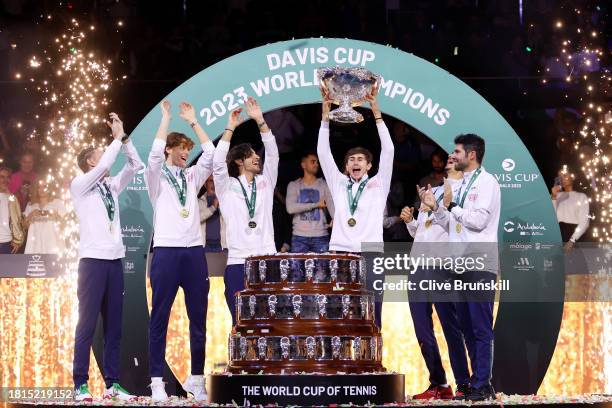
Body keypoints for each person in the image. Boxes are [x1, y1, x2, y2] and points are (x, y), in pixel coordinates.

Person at [145, 101, 214, 402]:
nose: (187, 152)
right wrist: (166, 119)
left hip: (194, 254)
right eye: (182, 148)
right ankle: (157, 381)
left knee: (198, 319)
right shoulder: (156, 179)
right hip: (166, 253)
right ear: (169, 150)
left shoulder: (192, 177)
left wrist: (195, 122)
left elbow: (210, 155)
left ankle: (196, 379)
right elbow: (152, 155)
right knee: (159, 318)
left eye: (188, 148)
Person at [70, 113, 142, 402]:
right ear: (90, 163)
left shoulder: (111, 187)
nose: (103, 156)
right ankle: (80, 384)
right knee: (86, 325)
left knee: (114, 327)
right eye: (98, 155)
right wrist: (114, 139)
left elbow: (135, 166)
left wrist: (124, 140)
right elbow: (106, 164)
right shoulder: (79, 185)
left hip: (115, 262)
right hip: (91, 262)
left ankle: (112, 384)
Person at [426, 134, 501, 402]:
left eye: (457, 151)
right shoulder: (461, 184)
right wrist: (437, 208)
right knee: (467, 326)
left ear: (471, 155)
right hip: (457, 263)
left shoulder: (488, 182)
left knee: (481, 327)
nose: (453, 156)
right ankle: (476, 384)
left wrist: (452, 207)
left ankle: (483, 384)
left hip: (479, 262)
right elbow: (451, 223)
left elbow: (479, 221)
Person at [317, 85, 393, 329]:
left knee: (373, 309)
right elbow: (322, 152)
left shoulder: (379, 184)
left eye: (360, 159)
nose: (355, 162)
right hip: (340, 251)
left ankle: (373, 360)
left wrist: (377, 114)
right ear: (346, 167)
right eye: (351, 159)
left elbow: (389, 150)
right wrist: (325, 117)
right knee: (338, 308)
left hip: (371, 252)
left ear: (369, 166)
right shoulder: (338, 183)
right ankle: (341, 360)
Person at [401, 155, 471, 400]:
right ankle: (439, 382)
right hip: (418, 266)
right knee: (422, 330)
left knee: (451, 328)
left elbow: (457, 228)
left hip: (443, 266)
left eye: (453, 161)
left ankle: (464, 382)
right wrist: (412, 222)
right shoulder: (434, 190)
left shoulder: (465, 194)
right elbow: (423, 230)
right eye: (448, 161)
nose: (448, 164)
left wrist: (439, 207)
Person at [213, 97, 278, 325]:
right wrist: (230, 127)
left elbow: (273, 153)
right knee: (240, 323)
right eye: (251, 154)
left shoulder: (265, 182)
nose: (257, 156)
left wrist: (260, 120)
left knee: (269, 322)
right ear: (240, 161)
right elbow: (217, 162)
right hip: (238, 260)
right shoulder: (227, 186)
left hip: (267, 257)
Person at [285, 151, 334, 253]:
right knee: (297, 269)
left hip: (321, 236)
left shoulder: (324, 184)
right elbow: (290, 208)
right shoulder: (294, 185)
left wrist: (335, 219)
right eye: (313, 162)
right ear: (303, 165)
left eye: (317, 162)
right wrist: (316, 204)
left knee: (322, 269)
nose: (317, 164)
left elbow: (331, 205)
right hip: (299, 237)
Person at [23, 178, 67, 254]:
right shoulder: (31, 205)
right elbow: (24, 226)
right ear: (36, 189)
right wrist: (30, 215)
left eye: (45, 186)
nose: (42, 189)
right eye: (39, 187)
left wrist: (57, 216)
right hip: (34, 246)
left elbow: (65, 225)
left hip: (53, 245)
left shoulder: (58, 203)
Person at [551, 168, 589, 250]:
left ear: (572, 176)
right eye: (560, 177)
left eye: (564, 175)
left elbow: (584, 222)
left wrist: (572, 240)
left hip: (575, 236)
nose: (562, 179)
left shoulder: (581, 196)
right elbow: (552, 219)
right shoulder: (556, 196)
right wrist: (553, 197)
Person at [198, 175, 226, 252]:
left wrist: (222, 204)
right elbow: (196, 219)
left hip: (223, 247)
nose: (214, 184)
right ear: (205, 184)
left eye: (216, 181)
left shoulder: (226, 200)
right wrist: (213, 208)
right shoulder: (198, 201)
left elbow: (232, 218)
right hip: (204, 246)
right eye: (211, 181)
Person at [0, 167, 24, 253]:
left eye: (8, 177)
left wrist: (18, 241)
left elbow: (18, 220)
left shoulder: (12, 198)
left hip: (8, 245)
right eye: (2, 177)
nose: (5, 180)